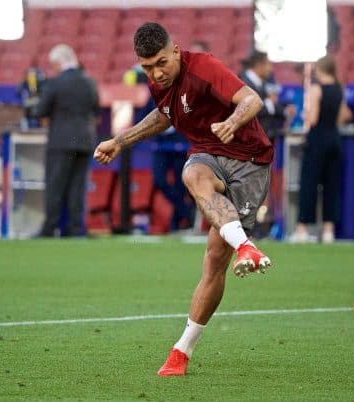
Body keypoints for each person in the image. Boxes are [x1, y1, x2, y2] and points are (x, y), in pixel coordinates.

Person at [94, 23, 273, 376]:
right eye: (147, 67)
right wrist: (120, 141)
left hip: (249, 162)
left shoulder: (203, 66)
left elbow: (252, 99)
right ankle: (180, 353)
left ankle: (185, 344)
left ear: (175, 49)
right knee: (192, 174)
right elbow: (164, 116)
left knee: (214, 259)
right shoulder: (157, 79)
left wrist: (233, 122)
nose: (156, 73)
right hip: (207, 153)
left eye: (161, 63)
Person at [35, 44, 99, 237]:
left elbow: (41, 111)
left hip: (61, 141)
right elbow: (95, 109)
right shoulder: (89, 82)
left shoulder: (55, 83)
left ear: (58, 62)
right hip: (84, 141)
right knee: (77, 187)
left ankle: (50, 228)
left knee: (55, 186)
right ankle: (75, 229)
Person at [290, 55, 349, 244]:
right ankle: (328, 230)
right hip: (334, 139)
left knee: (309, 184)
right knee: (331, 186)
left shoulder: (316, 89)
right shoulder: (339, 88)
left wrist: (305, 113)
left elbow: (313, 119)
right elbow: (343, 116)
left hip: (317, 141)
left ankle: (302, 229)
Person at [239, 50, 296, 141]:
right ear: (259, 65)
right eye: (268, 64)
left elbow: (270, 104)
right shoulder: (242, 83)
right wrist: (269, 103)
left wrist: (285, 111)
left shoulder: (264, 82)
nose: (271, 69)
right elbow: (246, 111)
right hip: (249, 141)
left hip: (265, 139)